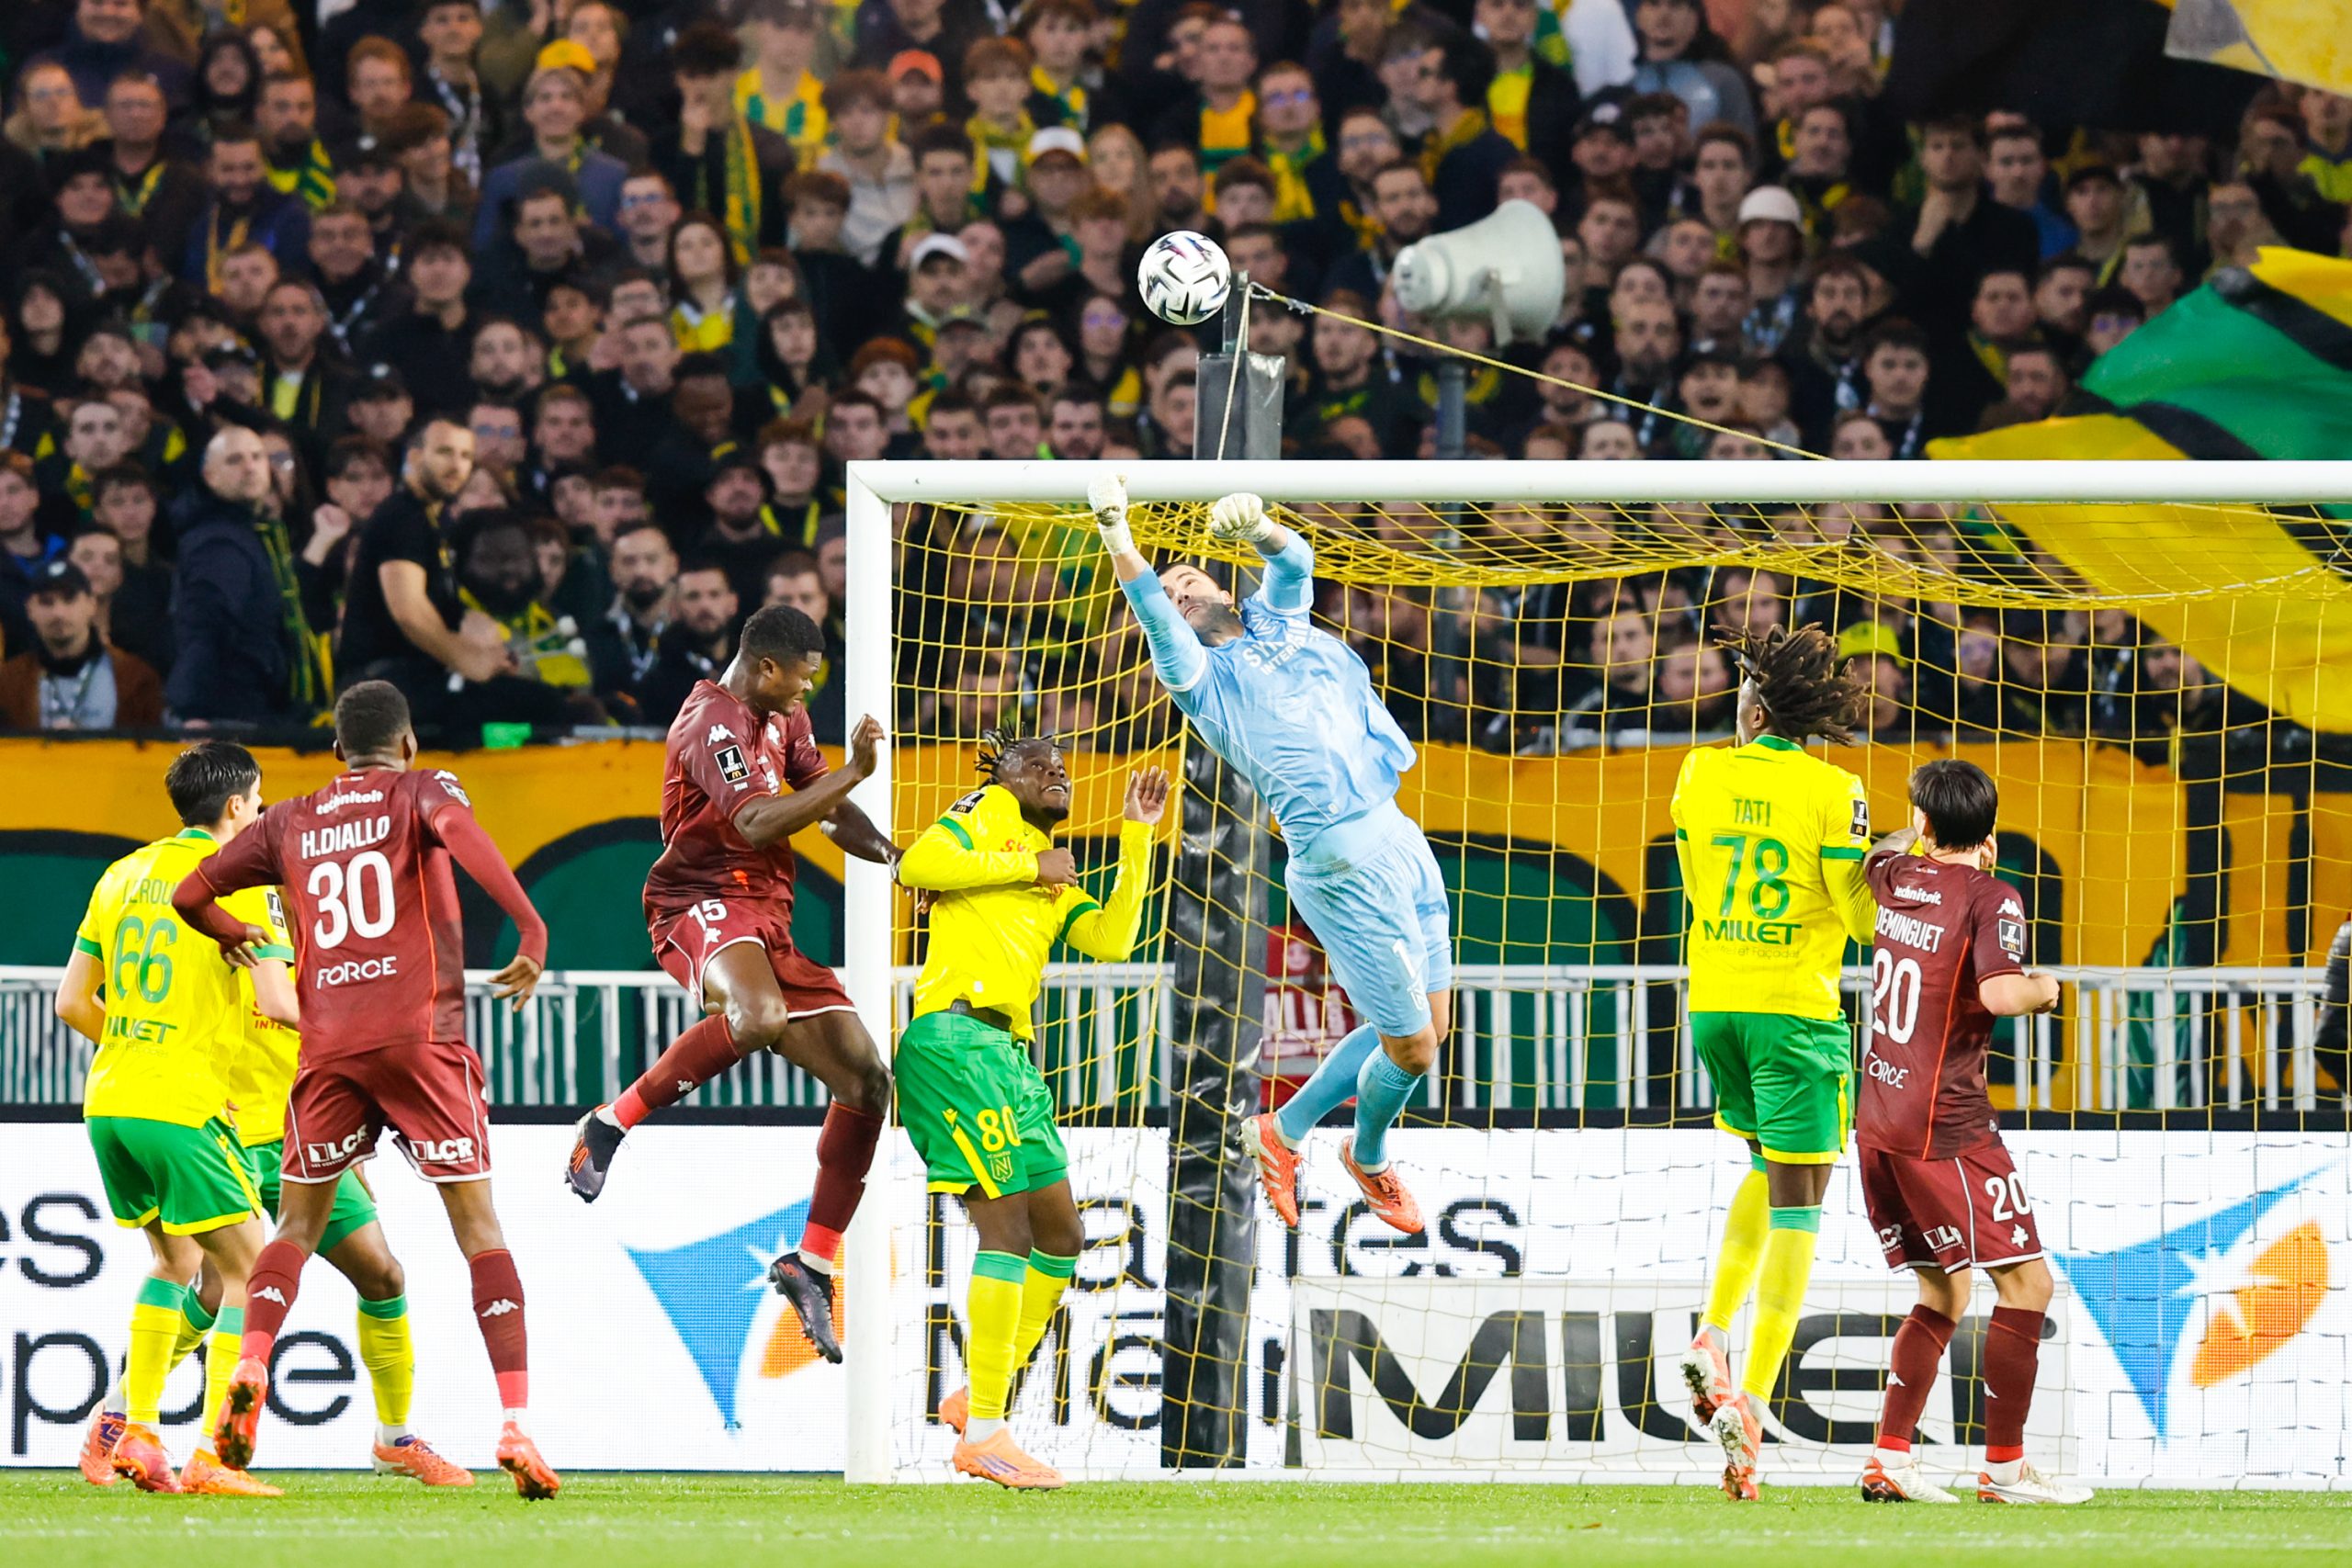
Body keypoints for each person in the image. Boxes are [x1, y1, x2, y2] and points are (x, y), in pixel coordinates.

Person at [169, 682, 559, 1497]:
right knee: (479, 1230)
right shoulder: (425, 789)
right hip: (422, 1040)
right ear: (409, 743)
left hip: (330, 1048)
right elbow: (465, 835)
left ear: (336, 752)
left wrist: (240, 934)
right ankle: (516, 1422)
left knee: (296, 1228)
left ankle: (250, 1365)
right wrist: (529, 924)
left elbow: (191, 894)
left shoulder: (287, 819)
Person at [1090, 476, 1450, 1235]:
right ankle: (1348, 1151)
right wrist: (1120, 539)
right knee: (1411, 1048)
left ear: (1223, 583)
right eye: (1170, 591)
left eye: (1189, 579)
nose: (1179, 593)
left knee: (1432, 1026)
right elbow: (1154, 616)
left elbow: (1295, 564)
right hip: (1341, 861)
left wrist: (1262, 530)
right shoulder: (1201, 680)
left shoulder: (1278, 623)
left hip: (1397, 833)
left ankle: (1295, 1137)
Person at [564, 606, 898, 1367]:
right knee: (756, 1012)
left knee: (868, 1081)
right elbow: (756, 822)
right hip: (699, 897)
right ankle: (610, 1123)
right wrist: (855, 769)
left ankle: (810, 1263)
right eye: (805, 674)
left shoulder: (787, 715)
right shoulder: (711, 721)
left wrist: (892, 856)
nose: (810, 687)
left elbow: (825, 807)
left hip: (768, 915)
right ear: (768, 666)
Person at [896, 732, 1168, 1488]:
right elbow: (915, 865)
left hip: (1010, 1059)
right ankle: (985, 1432)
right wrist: (1028, 860)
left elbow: (1112, 938)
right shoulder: (985, 814)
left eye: (1064, 768)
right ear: (1001, 774)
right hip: (954, 1038)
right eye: (1038, 762)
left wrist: (1136, 836)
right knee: (1006, 1225)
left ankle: (973, 1396)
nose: (1057, 771)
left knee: (1062, 1230)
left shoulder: (1053, 882)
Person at [1668, 622, 1876, 1502]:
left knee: (1760, 1162)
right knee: (1804, 1200)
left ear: (1752, 710)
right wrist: (1892, 859)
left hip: (1714, 1000)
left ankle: (1712, 1329)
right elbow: (1861, 919)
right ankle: (1751, 1398)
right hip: (1795, 1009)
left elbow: (1693, 874)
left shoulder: (1699, 771)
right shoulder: (1836, 789)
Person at [1856, 760, 2089, 1506]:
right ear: (1988, 833)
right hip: (1946, 1125)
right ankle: (2004, 1471)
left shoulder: (1894, 873)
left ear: (1923, 824)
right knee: (2029, 1282)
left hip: (1880, 1118)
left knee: (1944, 1287)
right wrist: (2052, 991)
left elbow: (1879, 850)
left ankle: (1890, 1458)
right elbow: (1999, 990)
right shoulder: (1994, 896)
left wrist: (1921, 833)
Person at [51, 741, 277, 1495]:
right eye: (260, 799)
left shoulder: (119, 875)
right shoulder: (239, 883)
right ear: (238, 805)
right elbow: (277, 1002)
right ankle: (213, 1454)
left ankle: (138, 1430)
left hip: (110, 1098)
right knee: (250, 1267)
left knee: (175, 1262)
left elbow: (73, 1001)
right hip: (181, 1105)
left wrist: (137, 1047)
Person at [0, 557, 162, 728]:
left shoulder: (136, 677)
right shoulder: (9, 681)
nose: (58, 613)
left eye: (69, 600)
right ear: (30, 609)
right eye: (46, 602)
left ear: (92, 604)